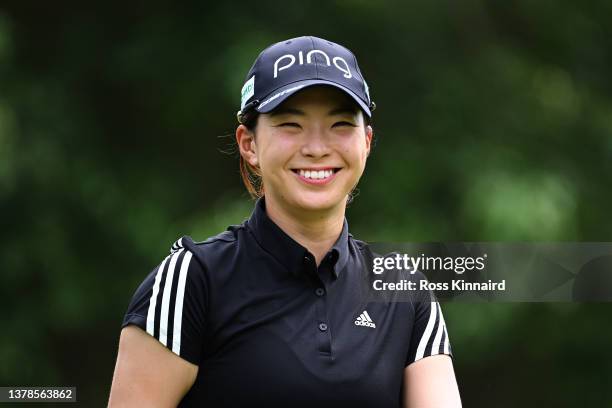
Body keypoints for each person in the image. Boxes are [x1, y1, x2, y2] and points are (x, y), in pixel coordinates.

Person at [108, 35, 461, 408]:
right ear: (249, 144)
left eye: (341, 124)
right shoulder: (193, 280)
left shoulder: (404, 290)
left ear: (367, 142)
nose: (316, 148)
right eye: (291, 125)